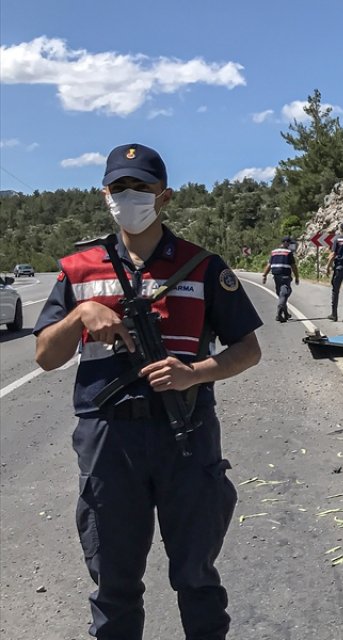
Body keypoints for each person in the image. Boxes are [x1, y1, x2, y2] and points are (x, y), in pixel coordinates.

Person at [33, 143, 262, 640]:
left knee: (196, 578)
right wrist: (79, 316)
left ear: (165, 197)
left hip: (186, 434)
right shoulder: (78, 269)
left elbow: (249, 349)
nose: (129, 196)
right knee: (114, 586)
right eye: (120, 188)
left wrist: (195, 373)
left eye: (141, 187)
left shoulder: (202, 266)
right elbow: (45, 357)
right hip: (109, 443)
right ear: (105, 195)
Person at [261, 236, 299, 322]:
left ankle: (285, 313)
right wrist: (297, 277)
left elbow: (269, 265)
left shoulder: (274, 252)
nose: (290, 245)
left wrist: (264, 275)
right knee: (285, 293)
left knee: (281, 294)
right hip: (285, 276)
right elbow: (293, 266)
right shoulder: (288, 253)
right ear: (286, 243)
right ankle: (279, 314)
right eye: (289, 243)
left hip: (276, 276)